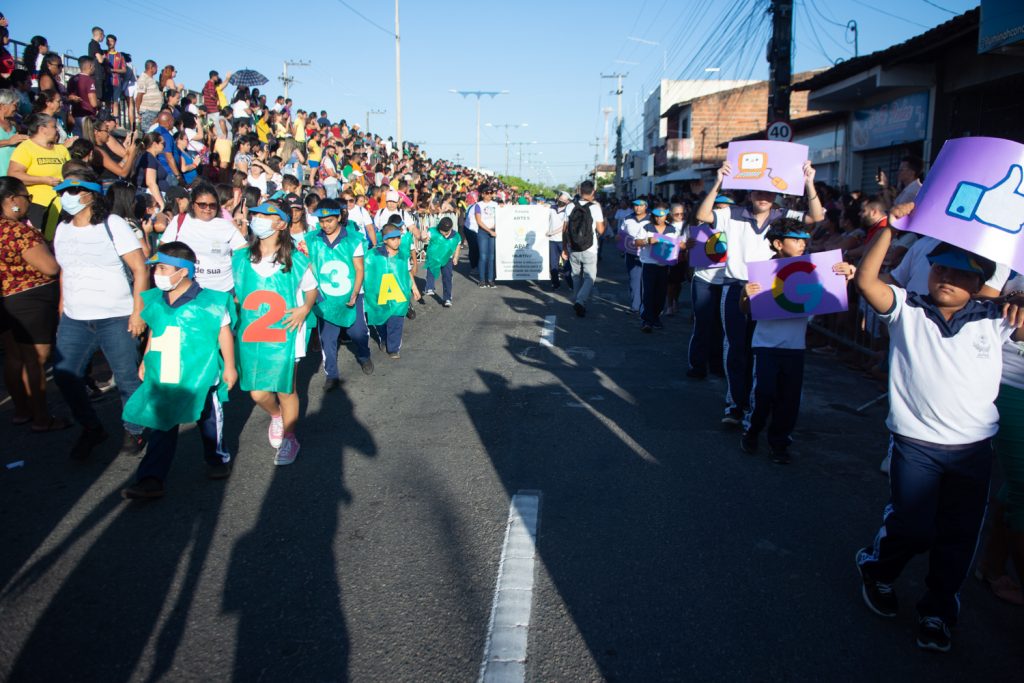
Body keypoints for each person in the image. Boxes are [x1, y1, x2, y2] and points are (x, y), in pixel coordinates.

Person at [853, 206, 1024, 653]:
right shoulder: (908, 309)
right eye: (940, 267)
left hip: (973, 450)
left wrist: (1020, 304)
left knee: (958, 535)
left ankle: (938, 608)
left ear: (979, 282)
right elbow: (868, 282)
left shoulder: (996, 318)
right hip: (916, 445)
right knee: (912, 527)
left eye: (960, 272)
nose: (946, 276)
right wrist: (890, 228)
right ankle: (878, 569)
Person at [694, 160, 824, 425]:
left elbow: (817, 217)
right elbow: (702, 216)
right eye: (758, 192)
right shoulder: (732, 214)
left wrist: (809, 181)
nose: (763, 197)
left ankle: (755, 408)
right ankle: (734, 404)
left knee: (760, 350)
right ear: (750, 193)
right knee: (735, 348)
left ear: (774, 194)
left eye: (768, 192)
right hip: (736, 286)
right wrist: (718, 181)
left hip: (770, 288)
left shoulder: (784, 216)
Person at [118, 242, 236, 500]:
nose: (156, 273)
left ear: (183, 271)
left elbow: (223, 331)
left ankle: (217, 458)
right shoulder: (157, 300)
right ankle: (152, 478)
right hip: (166, 370)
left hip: (201, 372)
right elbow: (155, 329)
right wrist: (146, 358)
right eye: (155, 268)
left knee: (208, 419)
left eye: (162, 267)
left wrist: (229, 366)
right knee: (162, 421)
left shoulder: (211, 302)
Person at [51, 172, 150, 460]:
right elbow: (65, 269)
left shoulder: (112, 224)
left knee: (127, 378)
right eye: (63, 191)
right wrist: (61, 305)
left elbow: (140, 269)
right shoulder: (63, 228)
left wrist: (137, 313)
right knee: (65, 376)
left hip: (116, 316)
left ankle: (134, 428)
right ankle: (92, 427)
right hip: (75, 317)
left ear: (91, 194)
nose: (67, 196)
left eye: (75, 190)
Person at [739, 219, 854, 463]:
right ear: (778, 244)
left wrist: (847, 275)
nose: (802, 244)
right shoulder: (762, 271)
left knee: (789, 399)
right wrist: (745, 295)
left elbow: (830, 292)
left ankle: (779, 443)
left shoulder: (814, 268)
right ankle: (752, 430)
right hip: (766, 345)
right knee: (763, 393)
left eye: (804, 239)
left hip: (794, 347)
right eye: (796, 239)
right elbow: (746, 310)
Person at [232, 202, 317, 465]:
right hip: (252, 333)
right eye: (255, 214)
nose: (256, 219)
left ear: (281, 223)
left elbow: (311, 288)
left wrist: (304, 308)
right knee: (257, 392)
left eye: (264, 215)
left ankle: (290, 437)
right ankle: (277, 416)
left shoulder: (296, 259)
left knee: (285, 388)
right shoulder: (240, 257)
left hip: (286, 332)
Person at [0, 177, 66, 431]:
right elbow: (49, 267)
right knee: (35, 360)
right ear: (11, 200)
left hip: (5, 299)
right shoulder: (17, 231)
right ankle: (41, 418)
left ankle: (21, 410)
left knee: (14, 357)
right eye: (26, 197)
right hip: (29, 299)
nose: (28, 202)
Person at [975, 270, 1024, 606]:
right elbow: (975, 298)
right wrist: (1011, 301)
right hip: (1013, 383)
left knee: (1013, 491)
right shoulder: (1011, 252)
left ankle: (992, 567)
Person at [306, 198, 373, 388]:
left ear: (338, 218)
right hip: (325, 296)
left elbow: (359, 269)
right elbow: (310, 264)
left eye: (329, 220)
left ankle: (363, 354)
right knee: (327, 337)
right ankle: (332, 374)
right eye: (322, 221)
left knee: (358, 331)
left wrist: (355, 293)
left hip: (351, 293)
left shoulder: (353, 239)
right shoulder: (312, 239)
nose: (325, 225)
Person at [159, 181, 248, 292]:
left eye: (212, 205)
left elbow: (244, 253)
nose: (208, 208)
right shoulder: (180, 221)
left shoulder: (226, 225)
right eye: (202, 205)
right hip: (187, 289)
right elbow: (163, 250)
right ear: (192, 205)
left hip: (222, 290)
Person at [685, 195, 730, 379]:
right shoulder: (699, 229)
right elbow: (690, 255)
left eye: (725, 208)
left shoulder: (737, 230)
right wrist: (688, 247)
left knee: (722, 327)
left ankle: (717, 364)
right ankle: (698, 365)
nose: (721, 212)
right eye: (717, 208)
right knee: (702, 324)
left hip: (727, 282)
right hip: (704, 280)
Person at [7, 113, 70, 240]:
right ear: (42, 129)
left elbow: (70, 173)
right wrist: (44, 180)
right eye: (54, 126)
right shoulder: (25, 148)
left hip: (62, 204)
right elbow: (13, 174)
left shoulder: (61, 150)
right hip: (37, 205)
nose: (57, 130)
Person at [363, 222, 413, 358]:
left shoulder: (403, 254)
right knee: (381, 320)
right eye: (393, 239)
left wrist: (414, 288)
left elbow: (407, 272)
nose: (397, 241)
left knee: (396, 321)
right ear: (385, 240)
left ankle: (393, 347)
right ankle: (384, 337)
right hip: (380, 292)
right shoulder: (373, 255)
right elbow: (365, 271)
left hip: (398, 293)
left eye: (398, 238)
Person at [631, 203, 680, 332]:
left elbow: (678, 245)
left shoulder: (672, 229)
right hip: (649, 264)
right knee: (648, 293)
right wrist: (647, 241)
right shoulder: (646, 227)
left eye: (661, 216)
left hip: (664, 265)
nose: (658, 219)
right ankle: (647, 320)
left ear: (666, 216)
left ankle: (656, 317)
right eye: (656, 216)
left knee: (660, 294)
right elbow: (636, 242)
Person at [562, 180, 605, 317]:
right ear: (593, 192)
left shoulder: (570, 206)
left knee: (575, 276)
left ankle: (576, 298)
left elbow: (564, 230)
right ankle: (580, 301)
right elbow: (601, 230)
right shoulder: (595, 207)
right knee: (589, 277)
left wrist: (564, 247)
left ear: (580, 191)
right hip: (589, 248)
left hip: (573, 247)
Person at [424, 216, 461, 306]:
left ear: (450, 229)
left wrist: (456, 257)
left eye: (446, 231)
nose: (443, 233)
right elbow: (425, 237)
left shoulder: (456, 236)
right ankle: (430, 287)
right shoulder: (433, 231)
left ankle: (447, 298)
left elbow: (458, 246)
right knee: (431, 269)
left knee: (447, 277)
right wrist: (424, 237)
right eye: (442, 231)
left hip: (447, 258)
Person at [619, 199, 648, 312]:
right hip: (631, 254)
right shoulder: (627, 218)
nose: (638, 208)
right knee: (634, 280)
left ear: (645, 207)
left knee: (646, 281)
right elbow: (622, 234)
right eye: (636, 206)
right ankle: (635, 306)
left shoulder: (651, 219)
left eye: (641, 206)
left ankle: (646, 306)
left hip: (647, 255)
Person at [472, 185, 499, 287]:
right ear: (482, 194)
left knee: (491, 257)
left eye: (491, 193)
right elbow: (479, 221)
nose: (489, 195)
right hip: (483, 232)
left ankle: (491, 279)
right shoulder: (478, 205)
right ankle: (482, 280)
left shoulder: (496, 204)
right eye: (487, 193)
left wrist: (494, 228)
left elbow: (503, 215)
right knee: (483, 256)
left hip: (493, 231)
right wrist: (489, 230)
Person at [0, 88, 27, 175]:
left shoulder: (13, 123)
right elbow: (11, 141)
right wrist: (9, 141)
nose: (16, 109)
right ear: (3, 106)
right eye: (15, 105)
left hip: (13, 171)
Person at [134, 60, 162, 132]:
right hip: (148, 111)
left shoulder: (151, 79)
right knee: (148, 132)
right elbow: (139, 95)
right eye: (156, 67)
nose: (157, 69)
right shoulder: (143, 78)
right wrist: (137, 110)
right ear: (151, 68)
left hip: (154, 111)